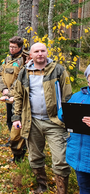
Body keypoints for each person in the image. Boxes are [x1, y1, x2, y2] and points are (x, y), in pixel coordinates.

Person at [12, 42, 72, 194]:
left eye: (43, 51)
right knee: (35, 157)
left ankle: (62, 190)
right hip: (32, 121)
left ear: (47, 52)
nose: (40, 54)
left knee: (60, 159)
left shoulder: (58, 70)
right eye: (36, 51)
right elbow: (18, 96)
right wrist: (16, 117)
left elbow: (67, 95)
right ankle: (41, 186)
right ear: (30, 55)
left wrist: (67, 118)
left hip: (55, 121)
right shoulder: (24, 72)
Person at [58, 64, 90, 194]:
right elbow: (61, 114)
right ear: (87, 78)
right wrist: (67, 114)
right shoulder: (78, 96)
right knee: (84, 188)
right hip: (80, 155)